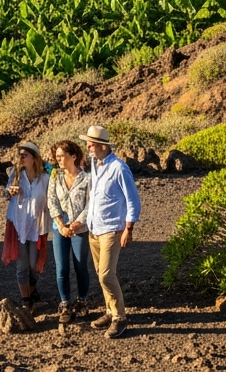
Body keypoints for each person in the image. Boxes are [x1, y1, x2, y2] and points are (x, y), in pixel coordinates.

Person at [81, 125, 141, 339]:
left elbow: (133, 200)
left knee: (107, 274)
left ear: (103, 146)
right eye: (87, 143)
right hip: (94, 228)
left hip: (111, 229)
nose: (87, 147)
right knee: (100, 274)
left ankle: (120, 318)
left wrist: (129, 229)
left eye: (91, 144)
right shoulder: (95, 164)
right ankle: (110, 310)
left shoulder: (119, 168)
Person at [3, 141, 49, 315]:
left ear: (34, 158)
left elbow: (51, 200)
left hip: (37, 226)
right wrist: (9, 192)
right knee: (22, 265)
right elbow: (6, 193)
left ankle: (32, 289)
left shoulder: (45, 178)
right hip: (19, 225)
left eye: (24, 155)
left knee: (34, 265)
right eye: (20, 155)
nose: (20, 158)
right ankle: (26, 300)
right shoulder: (16, 174)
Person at [48, 139, 91, 324]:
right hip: (60, 228)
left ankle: (82, 301)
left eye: (62, 156)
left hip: (80, 229)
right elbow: (52, 201)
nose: (58, 159)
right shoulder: (55, 177)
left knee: (80, 266)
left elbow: (90, 204)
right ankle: (65, 303)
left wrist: (76, 225)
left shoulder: (87, 179)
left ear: (73, 156)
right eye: (56, 156)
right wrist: (61, 224)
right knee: (62, 268)